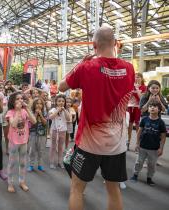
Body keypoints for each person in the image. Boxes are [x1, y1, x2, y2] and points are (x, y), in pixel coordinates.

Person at [59, 26, 135, 210]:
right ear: (115, 44)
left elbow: (62, 87)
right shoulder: (129, 68)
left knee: (76, 189)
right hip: (116, 144)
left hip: (89, 143)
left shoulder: (86, 67)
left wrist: (79, 64)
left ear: (94, 45)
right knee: (113, 190)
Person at [5, 91, 36, 193]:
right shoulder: (10, 112)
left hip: (23, 141)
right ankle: (10, 183)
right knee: (12, 163)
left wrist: (26, 108)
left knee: (23, 163)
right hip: (14, 142)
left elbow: (34, 121)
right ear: (13, 101)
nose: (20, 101)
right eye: (17, 99)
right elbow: (13, 124)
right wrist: (18, 111)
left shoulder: (25, 111)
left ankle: (22, 181)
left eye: (21, 98)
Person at [130, 100, 166, 186]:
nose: (152, 108)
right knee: (139, 162)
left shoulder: (161, 123)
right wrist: (137, 143)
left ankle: (149, 178)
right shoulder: (144, 119)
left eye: (155, 106)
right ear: (148, 109)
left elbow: (163, 136)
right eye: (150, 106)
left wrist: (161, 148)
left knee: (152, 165)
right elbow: (139, 131)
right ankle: (135, 175)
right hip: (142, 146)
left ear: (159, 110)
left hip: (154, 149)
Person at [48, 94, 70, 169]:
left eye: (63, 101)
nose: (61, 102)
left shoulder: (65, 110)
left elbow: (68, 119)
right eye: (59, 101)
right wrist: (57, 110)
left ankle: (60, 162)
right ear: (56, 102)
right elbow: (51, 117)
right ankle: (51, 162)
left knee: (61, 147)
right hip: (54, 130)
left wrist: (64, 110)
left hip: (63, 131)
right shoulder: (53, 110)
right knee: (53, 146)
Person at [127, 73, 146, 150]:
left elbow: (141, 98)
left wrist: (137, 89)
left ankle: (137, 144)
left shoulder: (144, 87)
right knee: (129, 125)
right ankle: (127, 142)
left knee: (138, 125)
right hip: (130, 106)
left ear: (141, 78)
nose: (136, 78)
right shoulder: (130, 86)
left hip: (138, 107)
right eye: (135, 77)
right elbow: (127, 97)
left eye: (138, 77)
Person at [27, 97, 47, 172]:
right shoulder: (31, 112)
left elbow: (45, 123)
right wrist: (35, 114)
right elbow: (32, 122)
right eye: (37, 104)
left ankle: (40, 165)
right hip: (33, 133)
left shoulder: (44, 112)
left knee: (41, 150)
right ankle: (31, 165)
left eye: (40, 104)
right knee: (32, 150)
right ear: (34, 105)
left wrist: (41, 115)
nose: (39, 105)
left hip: (42, 134)